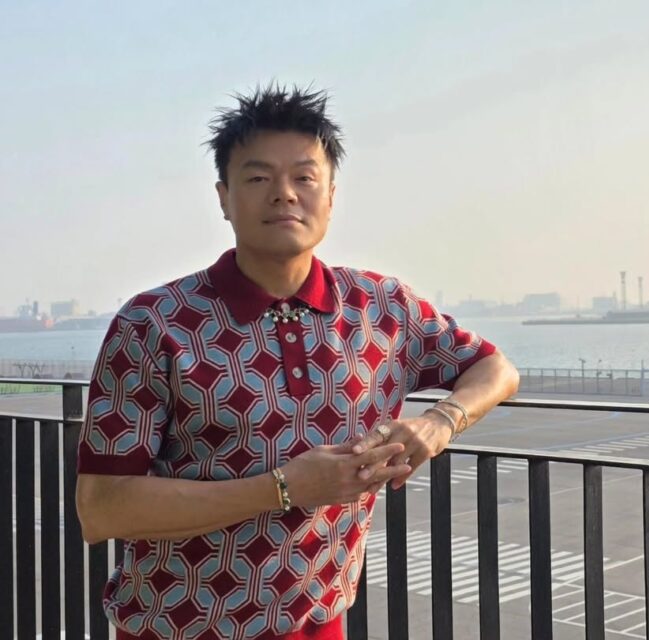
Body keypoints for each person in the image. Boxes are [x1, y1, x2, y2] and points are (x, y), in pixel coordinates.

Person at [76, 84, 519, 640]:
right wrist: (285, 488)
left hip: (321, 622)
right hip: (174, 628)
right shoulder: (155, 323)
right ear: (223, 198)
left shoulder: (383, 307)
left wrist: (440, 422)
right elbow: (102, 509)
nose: (284, 194)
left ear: (331, 195)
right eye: (258, 178)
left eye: (304, 178)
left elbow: (496, 369)